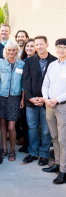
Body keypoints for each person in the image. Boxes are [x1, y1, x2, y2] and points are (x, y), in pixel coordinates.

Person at [22, 36, 57, 165]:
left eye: (41, 44)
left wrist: (45, 98)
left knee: (46, 129)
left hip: (47, 102)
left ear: (47, 45)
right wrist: (30, 97)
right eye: (37, 45)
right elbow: (26, 81)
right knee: (32, 127)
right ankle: (33, 152)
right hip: (31, 101)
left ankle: (44, 154)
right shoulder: (29, 61)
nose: (39, 47)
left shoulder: (55, 61)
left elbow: (55, 82)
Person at [0, 41, 25, 161]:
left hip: (15, 98)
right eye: (8, 50)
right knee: (2, 124)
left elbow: (23, 85)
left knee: (11, 127)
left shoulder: (22, 64)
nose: (11, 52)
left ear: (17, 50)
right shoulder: (0, 64)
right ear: (5, 51)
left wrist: (22, 99)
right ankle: (4, 149)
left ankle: (12, 150)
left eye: (13, 50)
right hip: (2, 96)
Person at [42, 38, 66, 184]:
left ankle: (63, 171)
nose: (60, 50)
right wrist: (46, 98)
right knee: (54, 137)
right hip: (49, 106)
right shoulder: (52, 65)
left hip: (62, 106)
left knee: (63, 139)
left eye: (63, 47)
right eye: (58, 47)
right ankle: (57, 163)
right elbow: (45, 84)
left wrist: (56, 99)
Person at [18, 38, 35, 153]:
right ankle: (25, 143)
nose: (28, 48)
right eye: (27, 46)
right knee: (23, 122)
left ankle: (29, 144)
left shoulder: (37, 61)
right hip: (19, 94)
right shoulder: (21, 61)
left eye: (31, 46)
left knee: (30, 122)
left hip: (30, 95)